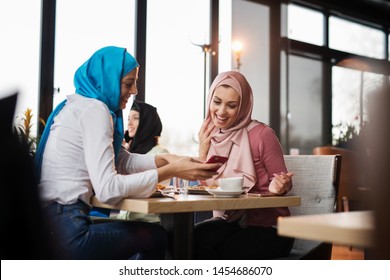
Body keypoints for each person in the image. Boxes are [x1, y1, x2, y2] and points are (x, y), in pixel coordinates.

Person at [34, 46, 221, 260]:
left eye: (135, 83)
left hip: (50, 226)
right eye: (128, 83)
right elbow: (108, 189)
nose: (135, 91)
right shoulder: (95, 111)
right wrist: (171, 170)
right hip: (69, 229)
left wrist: (165, 160)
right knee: (156, 237)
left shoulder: (79, 106)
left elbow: (121, 160)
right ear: (107, 80)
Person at [193, 70, 294, 260]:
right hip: (230, 222)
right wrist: (202, 151)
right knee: (189, 240)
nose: (221, 112)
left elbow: (284, 182)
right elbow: (207, 186)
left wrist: (281, 186)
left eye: (231, 105)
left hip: (271, 229)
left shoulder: (262, 134)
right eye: (217, 102)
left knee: (218, 252)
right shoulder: (211, 134)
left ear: (243, 107)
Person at [117, 100, 169, 222]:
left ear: (147, 123)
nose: (129, 123)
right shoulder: (127, 153)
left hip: (147, 221)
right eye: (128, 118)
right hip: (122, 219)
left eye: (135, 118)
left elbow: (157, 188)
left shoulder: (161, 154)